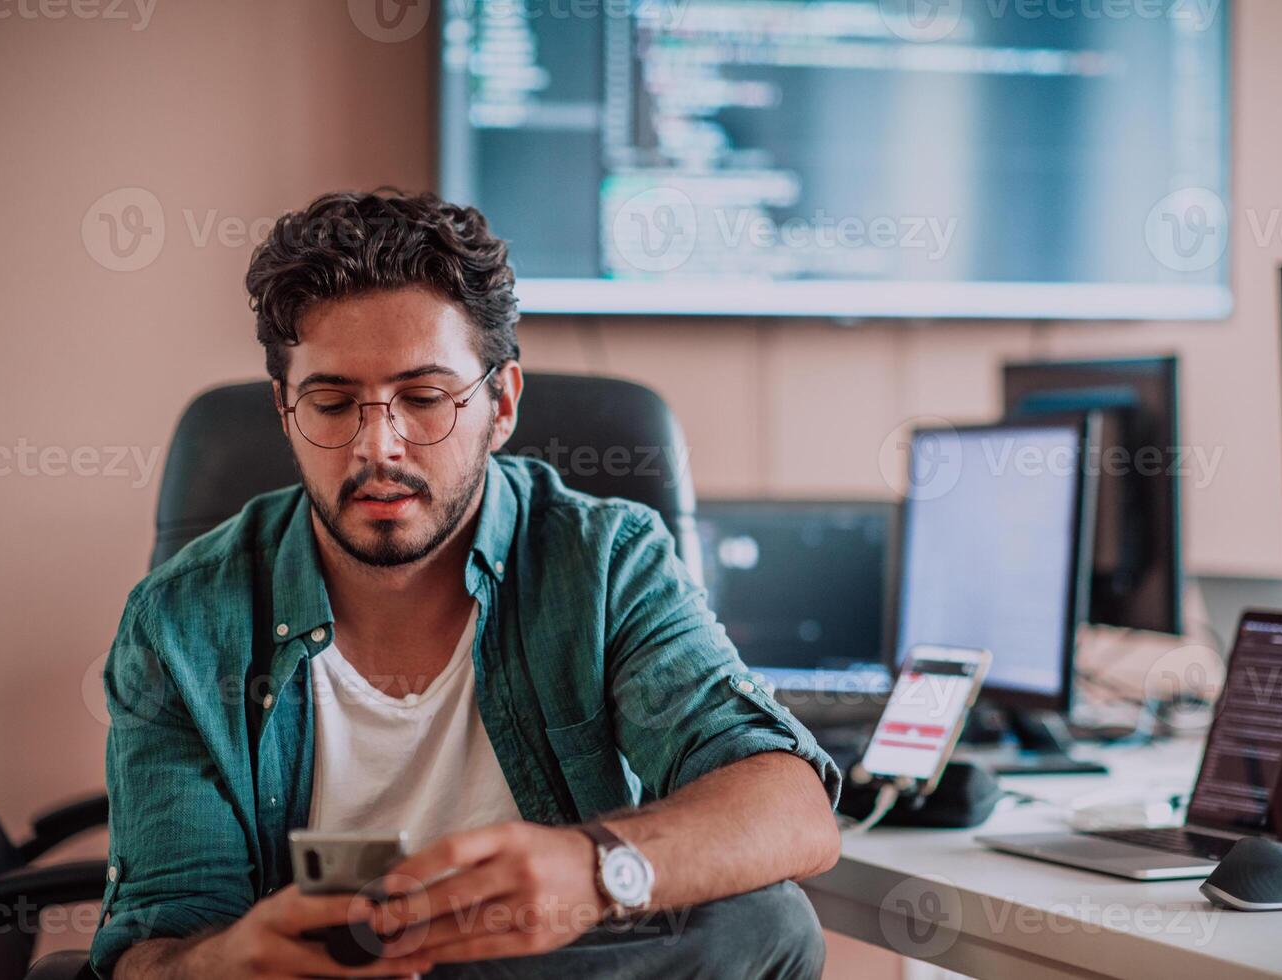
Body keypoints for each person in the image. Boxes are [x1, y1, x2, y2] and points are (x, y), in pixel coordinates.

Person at [94, 190, 842, 979]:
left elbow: (789, 809)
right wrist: (226, 959)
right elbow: (157, 945)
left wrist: (594, 871)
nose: (376, 445)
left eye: (424, 398)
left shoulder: (605, 560)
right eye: (332, 402)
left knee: (769, 920)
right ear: (285, 410)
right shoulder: (178, 621)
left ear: (502, 403)